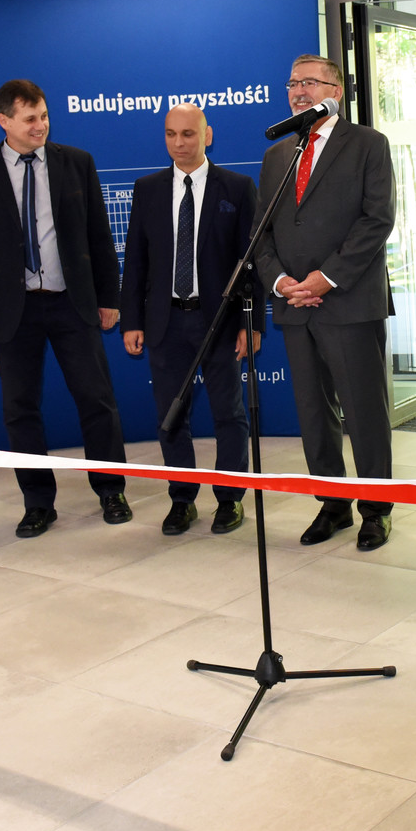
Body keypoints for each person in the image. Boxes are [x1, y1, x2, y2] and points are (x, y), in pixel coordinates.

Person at [0, 78, 130, 538]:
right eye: (30, 119)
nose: (41, 125)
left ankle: (111, 490)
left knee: (96, 400)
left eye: (45, 116)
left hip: (73, 303)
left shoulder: (77, 163)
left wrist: (109, 298)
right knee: (20, 410)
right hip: (13, 311)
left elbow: (100, 236)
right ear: (4, 121)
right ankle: (37, 504)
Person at [255, 55, 396, 551]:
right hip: (294, 305)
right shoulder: (278, 154)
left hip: (349, 302)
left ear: (335, 90)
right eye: (292, 83)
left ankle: (376, 509)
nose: (298, 91)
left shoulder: (368, 144)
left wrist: (325, 278)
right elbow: (262, 231)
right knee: (314, 413)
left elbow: (377, 220)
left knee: (363, 412)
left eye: (309, 82)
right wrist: (281, 282)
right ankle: (332, 504)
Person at [121, 104, 260, 536]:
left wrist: (252, 324)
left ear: (207, 136)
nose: (178, 143)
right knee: (171, 416)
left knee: (228, 414)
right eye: (170, 134)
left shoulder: (237, 187)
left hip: (219, 321)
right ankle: (182, 500)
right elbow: (136, 260)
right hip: (165, 322)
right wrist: (132, 320)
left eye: (188, 134)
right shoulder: (148, 189)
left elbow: (251, 261)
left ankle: (229, 499)